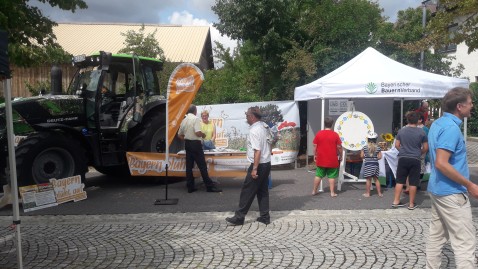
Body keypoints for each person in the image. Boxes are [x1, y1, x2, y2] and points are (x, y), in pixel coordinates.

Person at [426, 87, 478, 269]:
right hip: (452, 193)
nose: (472, 107)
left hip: (437, 189)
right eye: (470, 103)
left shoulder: (438, 124)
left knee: (436, 236)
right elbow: (441, 162)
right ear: (459, 106)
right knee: (465, 242)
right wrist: (469, 184)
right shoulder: (451, 129)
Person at [226, 106, 272, 226]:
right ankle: (265, 216)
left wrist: (255, 169)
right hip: (266, 163)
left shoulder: (254, 130)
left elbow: (257, 151)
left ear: (252, 117)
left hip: (259, 164)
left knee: (247, 191)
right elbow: (272, 140)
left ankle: (239, 217)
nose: (246, 117)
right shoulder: (264, 126)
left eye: (247, 115)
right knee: (262, 191)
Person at [177, 105, 221, 193]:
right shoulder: (196, 119)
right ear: (195, 111)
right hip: (196, 144)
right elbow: (197, 132)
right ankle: (209, 187)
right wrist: (203, 135)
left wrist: (186, 138)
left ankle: (190, 186)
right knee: (202, 166)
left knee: (189, 166)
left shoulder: (184, 120)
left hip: (188, 144)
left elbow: (179, 135)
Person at [392, 111, 428, 210]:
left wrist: (403, 151)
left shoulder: (401, 131)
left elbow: (397, 145)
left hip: (403, 158)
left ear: (407, 119)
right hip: (415, 159)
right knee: (413, 182)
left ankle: (396, 201)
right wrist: (418, 152)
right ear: (417, 120)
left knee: (400, 180)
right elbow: (425, 147)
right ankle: (411, 204)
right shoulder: (422, 132)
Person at [311, 117, 343, 197]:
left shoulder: (319, 133)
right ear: (332, 124)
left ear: (324, 124)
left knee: (318, 175)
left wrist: (315, 154)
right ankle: (332, 193)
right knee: (332, 176)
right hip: (332, 159)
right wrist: (341, 155)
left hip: (321, 158)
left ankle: (314, 191)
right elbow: (339, 147)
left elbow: (315, 146)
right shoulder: (335, 135)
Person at [360, 132, 383, 197]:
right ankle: (379, 193)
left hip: (368, 164)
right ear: (376, 139)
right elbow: (380, 157)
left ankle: (368, 193)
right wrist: (374, 158)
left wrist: (366, 157)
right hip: (375, 164)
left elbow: (361, 156)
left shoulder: (364, 147)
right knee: (376, 179)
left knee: (368, 179)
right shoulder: (378, 147)